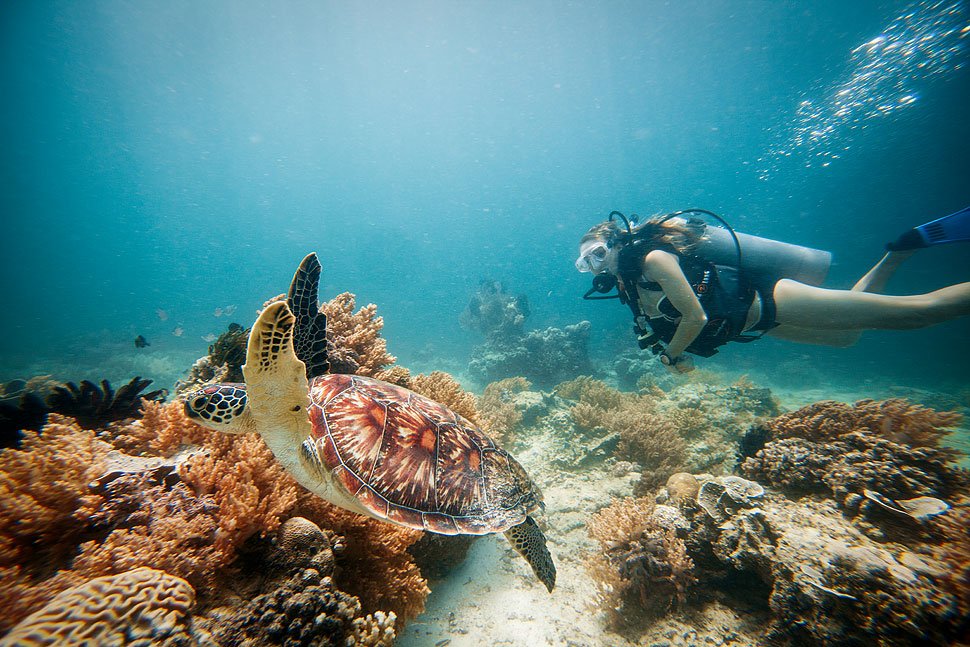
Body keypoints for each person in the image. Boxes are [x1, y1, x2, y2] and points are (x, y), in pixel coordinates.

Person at [576, 207, 970, 374]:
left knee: (919, 314)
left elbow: (695, 316)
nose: (594, 267)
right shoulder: (629, 286)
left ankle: (913, 247)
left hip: (772, 299)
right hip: (762, 322)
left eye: (595, 255)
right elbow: (680, 327)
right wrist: (679, 359)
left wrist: (672, 354)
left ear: (614, 242)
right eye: (584, 264)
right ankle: (900, 252)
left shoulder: (653, 261)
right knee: (848, 338)